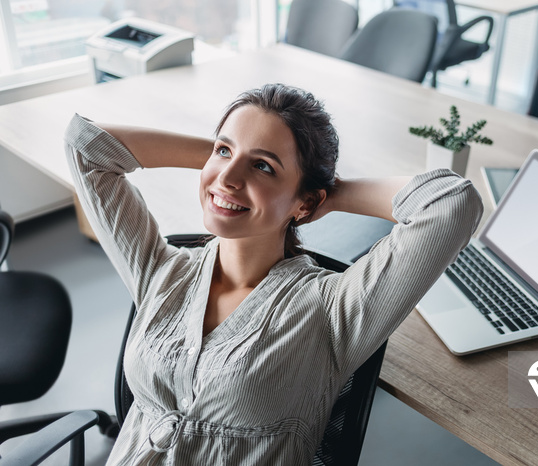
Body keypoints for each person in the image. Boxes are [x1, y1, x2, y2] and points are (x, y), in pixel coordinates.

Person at [65, 83, 483, 465]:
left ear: (305, 205)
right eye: (223, 152)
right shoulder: (161, 272)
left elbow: (450, 204)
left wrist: (326, 193)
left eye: (263, 167)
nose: (228, 179)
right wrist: (229, 159)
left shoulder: (330, 311)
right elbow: (87, 147)